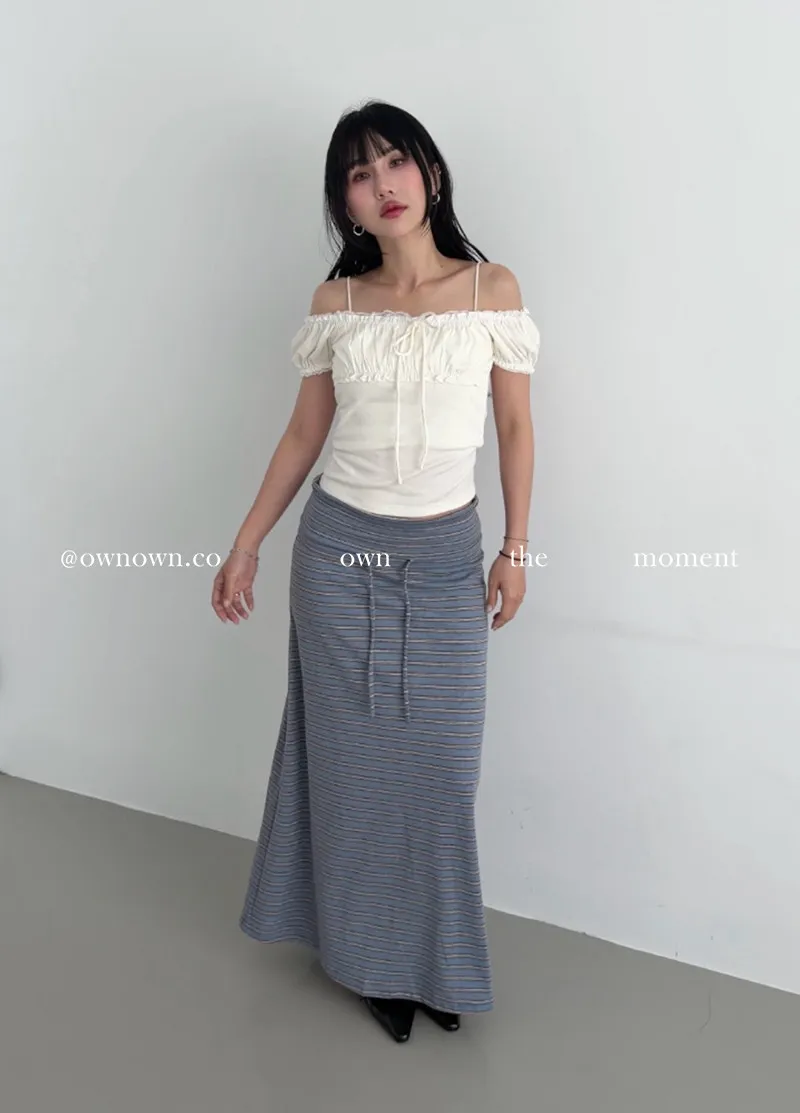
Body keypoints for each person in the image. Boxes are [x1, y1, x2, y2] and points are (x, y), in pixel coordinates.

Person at [211, 99, 540, 1044]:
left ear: (429, 172)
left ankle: (433, 957)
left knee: (440, 772)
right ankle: (369, 961)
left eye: (395, 161)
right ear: (344, 202)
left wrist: (516, 549)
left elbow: (515, 426)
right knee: (354, 772)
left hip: (444, 561)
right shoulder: (338, 304)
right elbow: (304, 434)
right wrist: (247, 541)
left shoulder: (492, 290)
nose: (383, 185)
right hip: (338, 557)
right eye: (360, 174)